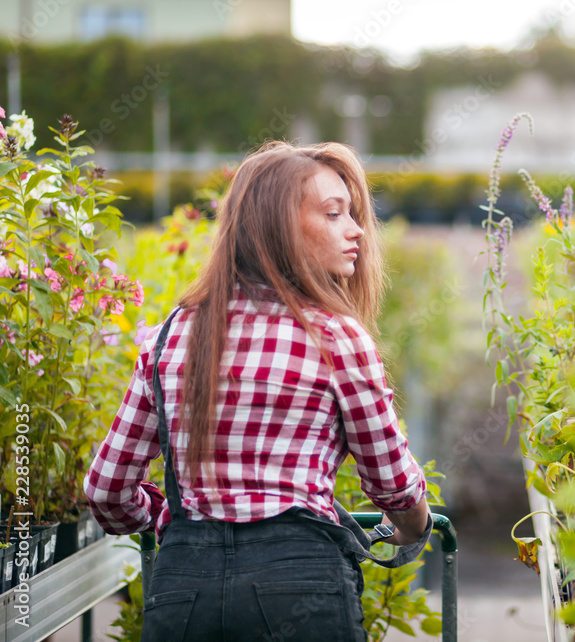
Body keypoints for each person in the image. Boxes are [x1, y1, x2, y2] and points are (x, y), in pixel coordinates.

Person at [84, 141, 430, 641]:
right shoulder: (334, 337)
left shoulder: (172, 334)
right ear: (281, 228)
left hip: (184, 593)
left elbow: (106, 491)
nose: (355, 231)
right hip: (298, 585)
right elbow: (392, 483)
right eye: (334, 214)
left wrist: (171, 518)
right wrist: (414, 528)